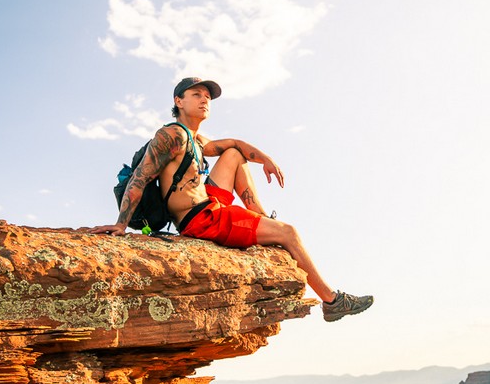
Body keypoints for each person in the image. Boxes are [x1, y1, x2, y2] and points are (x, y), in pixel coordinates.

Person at [86, 77, 372, 323]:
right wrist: (121, 224)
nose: (204, 100)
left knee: (234, 153)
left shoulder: (196, 140)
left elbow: (235, 145)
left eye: (207, 96)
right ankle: (332, 302)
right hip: (199, 219)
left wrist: (266, 159)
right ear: (179, 101)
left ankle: (261, 218)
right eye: (196, 94)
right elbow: (140, 177)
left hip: (210, 203)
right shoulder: (171, 135)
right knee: (289, 233)